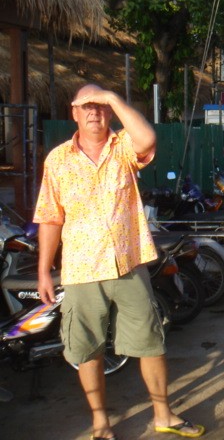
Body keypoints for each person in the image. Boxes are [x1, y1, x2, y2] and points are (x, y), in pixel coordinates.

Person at [34, 84, 204, 440]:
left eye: (100, 106)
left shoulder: (123, 147)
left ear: (109, 111)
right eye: (86, 106)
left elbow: (147, 138)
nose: (94, 112)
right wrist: (44, 271)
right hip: (81, 269)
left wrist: (110, 97)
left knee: (150, 342)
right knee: (88, 350)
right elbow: (50, 218)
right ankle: (100, 423)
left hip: (128, 264)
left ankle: (163, 414)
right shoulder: (58, 160)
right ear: (74, 113)